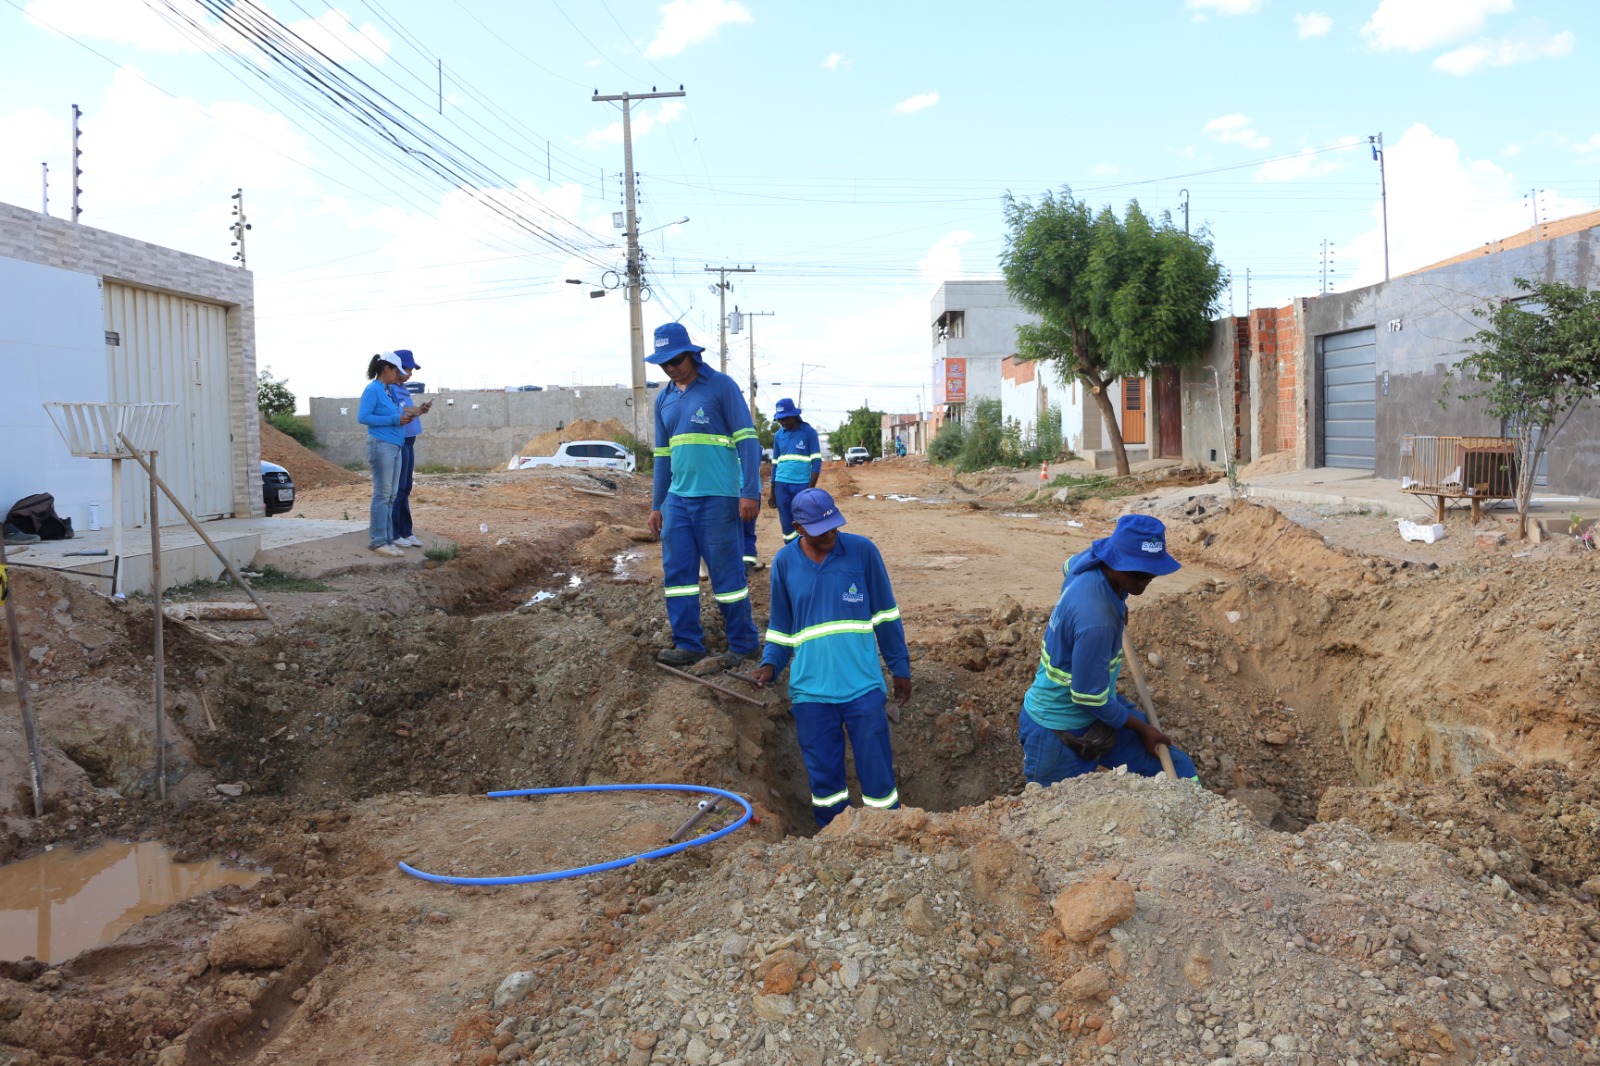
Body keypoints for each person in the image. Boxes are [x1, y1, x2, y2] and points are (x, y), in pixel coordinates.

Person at [752, 488, 910, 827]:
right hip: (811, 694)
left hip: (863, 687)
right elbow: (781, 627)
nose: (830, 535)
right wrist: (770, 664)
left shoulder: (863, 552)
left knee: (879, 779)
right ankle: (832, 838)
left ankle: (887, 834)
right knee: (826, 785)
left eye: (834, 526)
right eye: (820, 530)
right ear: (798, 528)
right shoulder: (784, 563)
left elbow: (886, 615)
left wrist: (900, 667)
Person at [1018, 513, 1199, 785]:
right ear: (1114, 561)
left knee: (1180, 771)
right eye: (1137, 572)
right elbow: (1088, 698)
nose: (1146, 579)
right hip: (1057, 727)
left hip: (1095, 704)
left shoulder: (1088, 562)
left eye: (1152, 570)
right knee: (1059, 805)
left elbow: (1067, 566)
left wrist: (1118, 601)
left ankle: (1193, 811)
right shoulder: (1097, 621)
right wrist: (1143, 730)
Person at [647, 322, 762, 670]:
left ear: (691, 354)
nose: (671, 367)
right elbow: (662, 458)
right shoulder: (664, 400)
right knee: (678, 577)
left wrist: (750, 491)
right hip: (677, 501)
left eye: (676, 360)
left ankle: (743, 644)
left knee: (727, 576)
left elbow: (748, 441)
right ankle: (688, 644)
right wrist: (657, 505)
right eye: (664, 363)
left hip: (718, 497)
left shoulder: (721, 387)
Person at [358, 352, 416, 557]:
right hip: (381, 445)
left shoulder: (388, 390)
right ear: (386, 369)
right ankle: (378, 541)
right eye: (395, 371)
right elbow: (363, 417)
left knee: (391, 495)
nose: (398, 375)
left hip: (394, 445)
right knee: (382, 494)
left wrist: (405, 417)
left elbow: (393, 414)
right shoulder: (373, 389)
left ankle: (389, 539)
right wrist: (394, 420)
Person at [386, 349, 431, 549]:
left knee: (406, 488)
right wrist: (414, 411)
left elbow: (407, 411)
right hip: (400, 440)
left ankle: (406, 530)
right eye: (408, 369)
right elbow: (397, 412)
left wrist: (420, 410)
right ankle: (395, 532)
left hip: (410, 441)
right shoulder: (389, 390)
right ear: (396, 368)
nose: (411, 373)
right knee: (398, 489)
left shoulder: (403, 388)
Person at [767, 397, 822, 545]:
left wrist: (810, 489)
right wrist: (772, 492)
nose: (783, 422)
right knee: (786, 522)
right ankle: (791, 550)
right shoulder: (778, 435)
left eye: (785, 418)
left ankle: (806, 550)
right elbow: (775, 463)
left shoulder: (808, 432)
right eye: (780, 420)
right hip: (781, 486)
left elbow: (816, 462)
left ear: (794, 415)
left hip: (802, 485)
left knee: (804, 520)